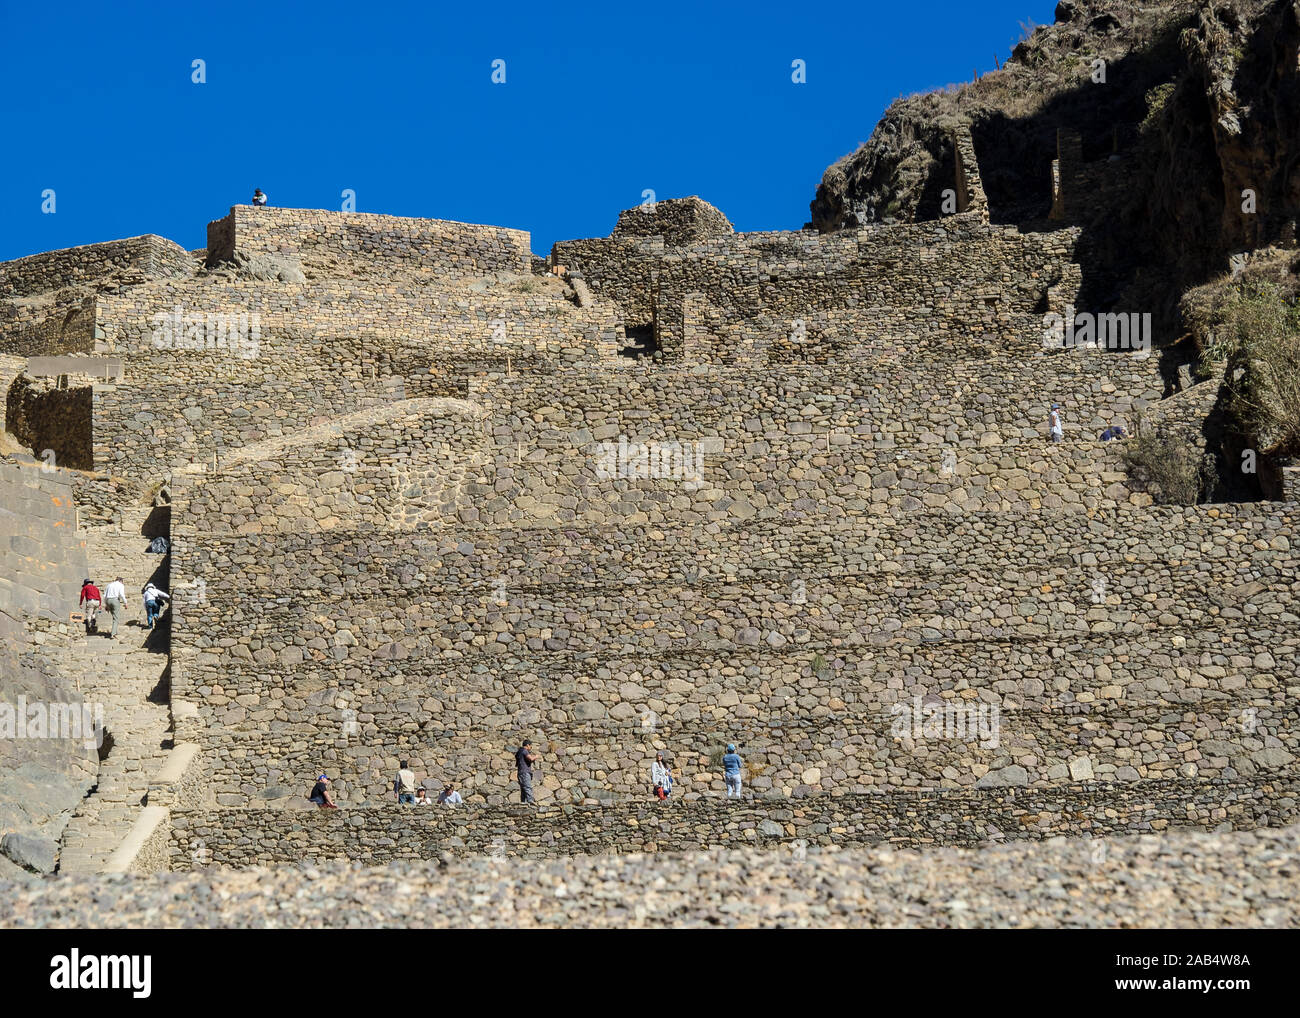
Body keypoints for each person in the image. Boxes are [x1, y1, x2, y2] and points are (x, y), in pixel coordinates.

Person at [515, 739, 538, 804]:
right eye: (531, 746)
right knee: (527, 786)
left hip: (520, 772)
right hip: (525, 772)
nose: (530, 748)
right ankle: (530, 801)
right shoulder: (524, 751)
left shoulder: (519, 751)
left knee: (523, 788)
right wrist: (536, 756)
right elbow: (531, 758)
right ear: (528, 745)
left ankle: (523, 802)